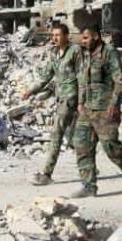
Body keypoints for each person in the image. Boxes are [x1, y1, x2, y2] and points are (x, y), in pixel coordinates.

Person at [71, 26, 122, 197]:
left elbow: (120, 81)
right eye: (82, 38)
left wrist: (114, 104)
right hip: (86, 109)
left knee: (111, 147)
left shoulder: (109, 52)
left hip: (105, 110)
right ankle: (89, 186)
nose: (83, 41)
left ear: (96, 37)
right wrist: (80, 103)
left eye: (86, 38)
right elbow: (82, 81)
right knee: (82, 146)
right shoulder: (84, 54)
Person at [22, 23, 81, 185]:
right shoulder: (54, 54)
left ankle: (47, 174)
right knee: (71, 136)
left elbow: (83, 77)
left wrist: (83, 100)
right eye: (53, 35)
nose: (55, 38)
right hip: (61, 99)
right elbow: (45, 76)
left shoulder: (75, 52)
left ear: (66, 36)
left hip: (71, 98)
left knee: (56, 133)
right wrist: (30, 91)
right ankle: (88, 166)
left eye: (58, 35)